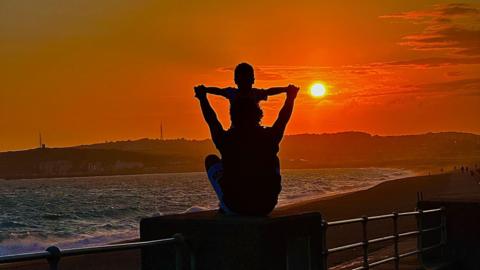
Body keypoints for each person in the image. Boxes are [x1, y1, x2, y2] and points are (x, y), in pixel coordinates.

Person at [194, 81, 299, 216]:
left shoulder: (225, 139)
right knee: (275, 160)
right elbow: (283, 118)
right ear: (258, 115)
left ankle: (225, 205)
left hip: (236, 206)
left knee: (211, 160)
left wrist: (203, 98)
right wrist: (290, 98)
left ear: (233, 117)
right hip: (266, 206)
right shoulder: (270, 136)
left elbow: (211, 119)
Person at [196, 63, 291, 108]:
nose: (245, 82)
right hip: (239, 129)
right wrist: (206, 89)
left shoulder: (234, 93)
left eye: (247, 79)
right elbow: (218, 91)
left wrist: (285, 89)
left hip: (251, 129)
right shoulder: (253, 94)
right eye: (243, 79)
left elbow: (270, 91)